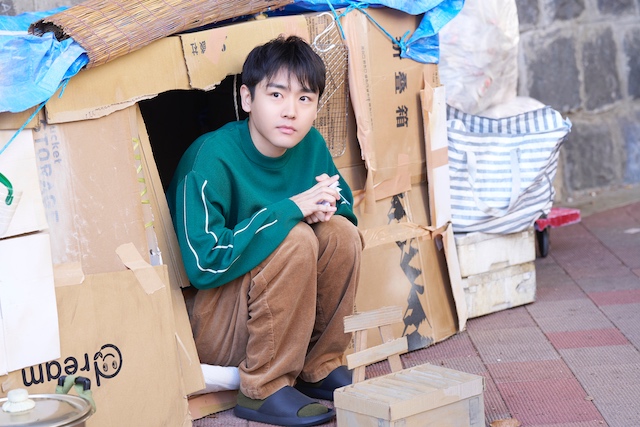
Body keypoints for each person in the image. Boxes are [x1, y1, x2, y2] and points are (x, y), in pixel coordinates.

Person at [166, 35, 363, 427]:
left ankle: (319, 367)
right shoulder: (210, 158)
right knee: (294, 238)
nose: (291, 111)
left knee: (340, 233)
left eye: (305, 98)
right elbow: (203, 264)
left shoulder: (310, 146)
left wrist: (325, 207)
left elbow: (343, 204)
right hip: (216, 324)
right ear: (247, 98)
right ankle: (263, 389)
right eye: (276, 95)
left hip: (282, 325)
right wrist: (290, 211)